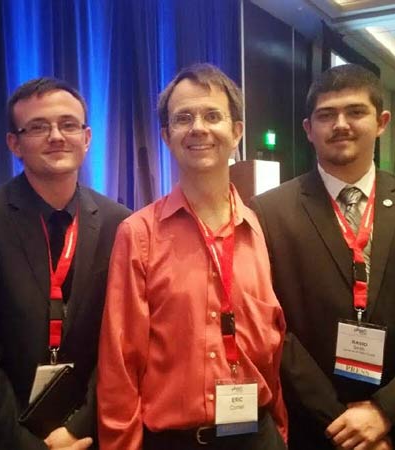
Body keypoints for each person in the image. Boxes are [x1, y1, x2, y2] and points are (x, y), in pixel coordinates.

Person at [250, 63, 395, 450]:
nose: (340, 124)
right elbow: (270, 331)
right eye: (326, 115)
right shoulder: (268, 212)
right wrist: (341, 424)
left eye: (355, 111)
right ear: (309, 130)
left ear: (381, 121)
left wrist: (385, 411)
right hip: (319, 428)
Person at [97, 63, 288, 450]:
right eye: (183, 118)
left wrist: (279, 432)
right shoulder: (139, 233)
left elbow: (272, 344)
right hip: (178, 441)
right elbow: (120, 362)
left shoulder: (259, 229)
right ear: (167, 136)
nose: (198, 127)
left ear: (236, 132)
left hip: (258, 435)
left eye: (212, 115)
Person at [0, 77, 130, 450]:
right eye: (38, 127)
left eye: (68, 124)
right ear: (14, 143)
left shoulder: (120, 223)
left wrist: (78, 430)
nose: (56, 136)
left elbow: (124, 348)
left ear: (87, 137)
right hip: (10, 437)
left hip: (93, 434)